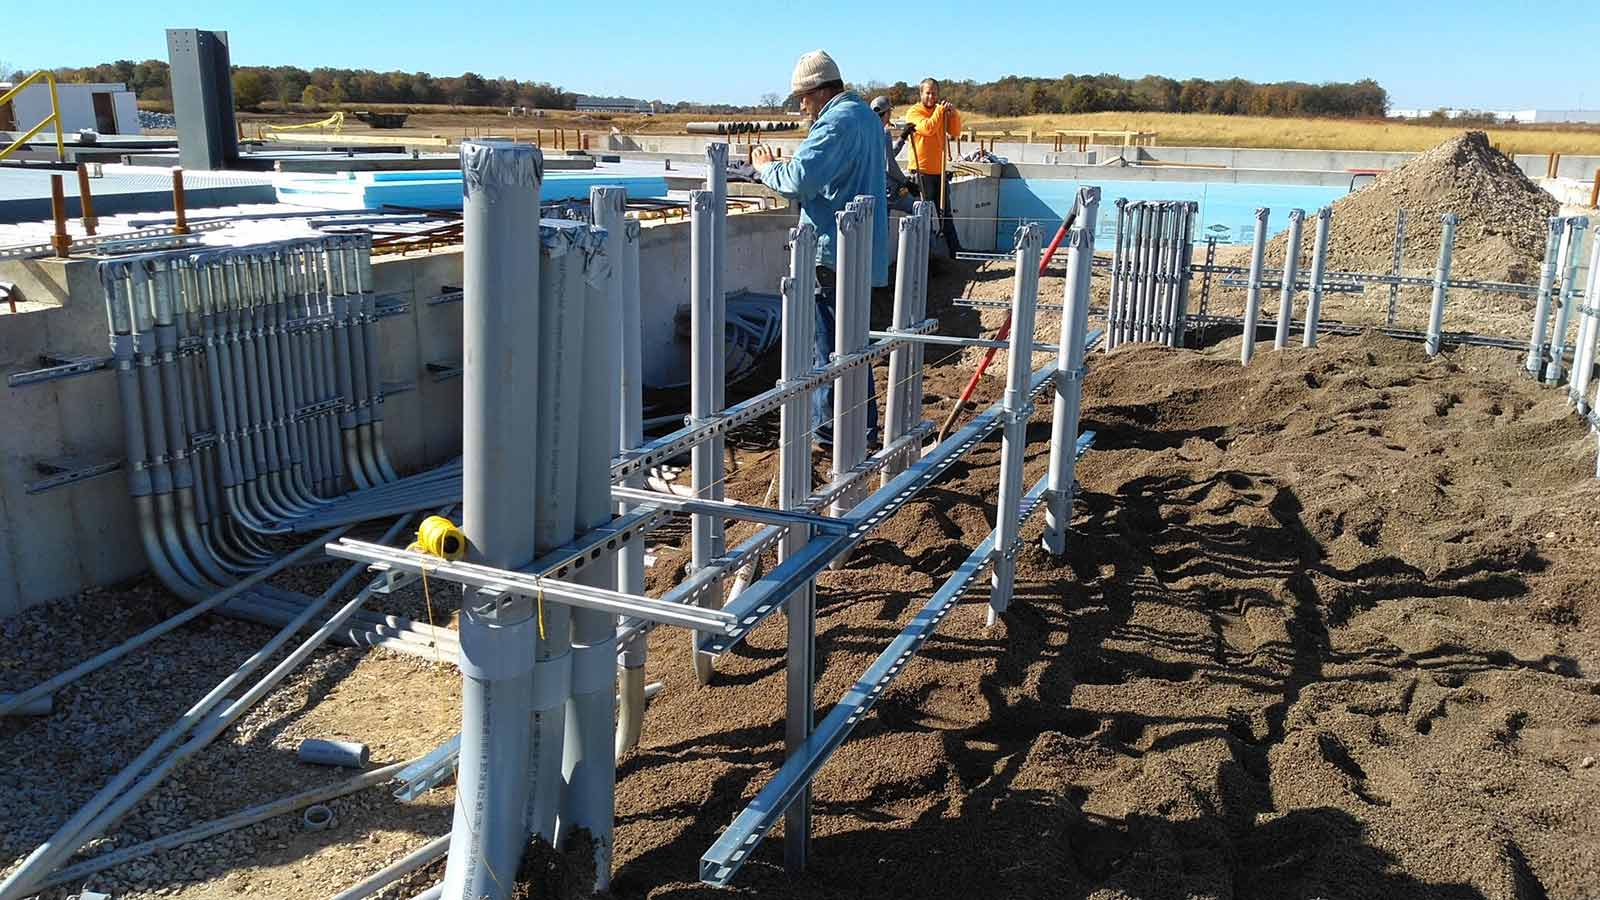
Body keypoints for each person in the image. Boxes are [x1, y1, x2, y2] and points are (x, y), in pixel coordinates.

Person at [751, 50, 887, 446]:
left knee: (827, 352)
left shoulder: (837, 122)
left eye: (803, 97)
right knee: (854, 350)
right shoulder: (863, 116)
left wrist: (764, 166)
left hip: (832, 253)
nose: (801, 106)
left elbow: (798, 180)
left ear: (820, 91)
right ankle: (863, 433)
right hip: (860, 252)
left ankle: (830, 438)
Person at [904, 77, 964, 257]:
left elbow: (955, 132)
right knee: (925, 215)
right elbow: (928, 128)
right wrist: (939, 111)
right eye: (928, 93)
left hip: (939, 171)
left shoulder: (941, 113)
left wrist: (953, 115)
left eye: (934, 93)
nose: (931, 96)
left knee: (945, 214)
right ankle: (925, 254)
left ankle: (954, 251)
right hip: (921, 172)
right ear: (921, 93)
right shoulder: (914, 112)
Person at [871, 95, 917, 214]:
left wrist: (903, 137)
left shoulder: (869, 132)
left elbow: (888, 155)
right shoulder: (884, 132)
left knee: (883, 228)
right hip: (889, 191)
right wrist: (907, 183)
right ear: (887, 113)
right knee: (918, 208)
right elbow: (889, 165)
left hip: (875, 189)